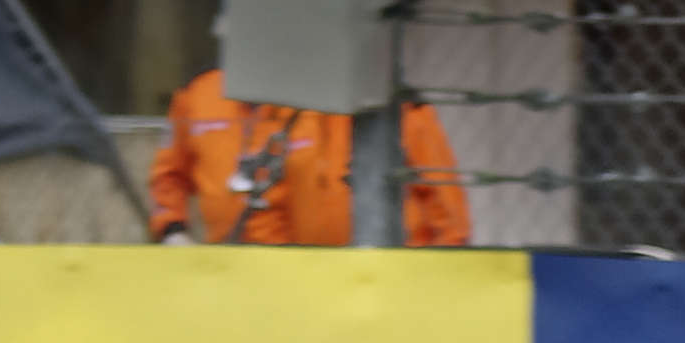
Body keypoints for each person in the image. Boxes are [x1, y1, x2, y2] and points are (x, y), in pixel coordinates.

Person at [147, 68, 471, 247]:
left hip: (353, 266)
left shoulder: (316, 99)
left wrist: (446, 257)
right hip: (238, 265)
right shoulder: (198, 95)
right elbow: (168, 174)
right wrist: (172, 229)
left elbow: (440, 186)